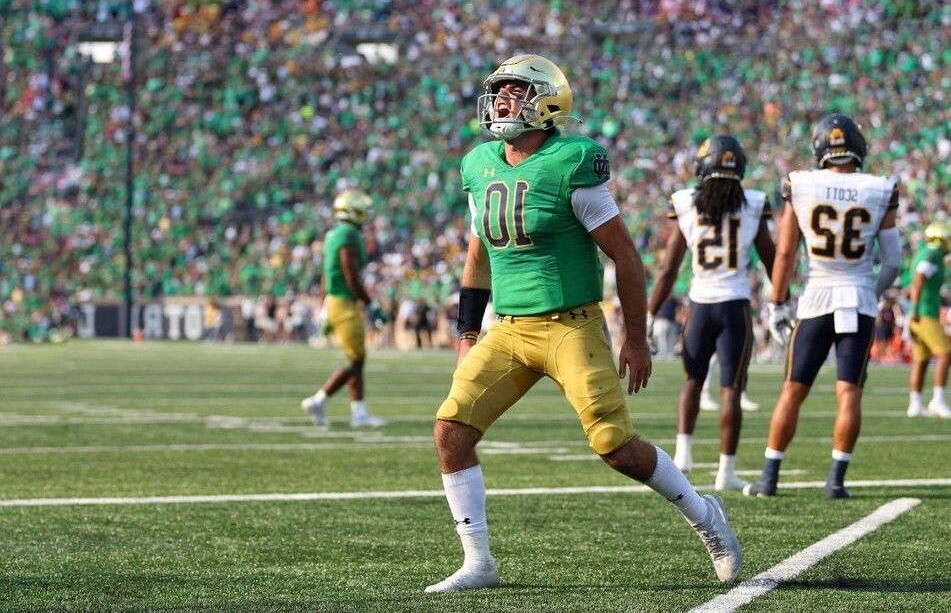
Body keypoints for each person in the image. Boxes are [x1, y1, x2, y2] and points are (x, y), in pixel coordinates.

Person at [425, 54, 741, 593]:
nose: (501, 100)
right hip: (509, 328)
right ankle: (478, 560)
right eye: (498, 90)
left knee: (616, 448)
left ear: (547, 101)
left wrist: (636, 338)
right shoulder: (478, 164)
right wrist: (468, 332)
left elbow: (627, 257)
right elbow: (477, 258)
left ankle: (706, 517)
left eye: (515, 91)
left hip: (571, 325)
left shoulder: (574, 159)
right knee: (451, 431)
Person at [745, 113, 901, 499]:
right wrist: (871, 291)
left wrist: (777, 303)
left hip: (815, 300)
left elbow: (784, 254)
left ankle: (769, 478)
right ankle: (835, 481)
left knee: (792, 391)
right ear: (857, 147)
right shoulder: (879, 188)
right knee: (849, 394)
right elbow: (893, 262)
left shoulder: (802, 183)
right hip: (858, 299)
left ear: (820, 148)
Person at [647, 135, 776, 491]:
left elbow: (669, 269)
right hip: (734, 306)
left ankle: (683, 456)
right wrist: (780, 302)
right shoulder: (752, 203)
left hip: (701, 306)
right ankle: (726, 472)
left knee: (692, 382)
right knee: (731, 390)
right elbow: (772, 260)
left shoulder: (687, 202)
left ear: (703, 166)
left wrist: (649, 313)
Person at [301, 189, 388, 429]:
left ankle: (358, 412)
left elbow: (327, 276)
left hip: (335, 301)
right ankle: (319, 399)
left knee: (356, 358)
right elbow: (351, 277)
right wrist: (372, 305)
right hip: (343, 302)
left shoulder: (333, 234)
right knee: (357, 359)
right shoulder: (348, 234)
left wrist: (324, 306)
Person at [904, 222, 951, 418]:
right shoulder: (933, 255)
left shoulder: (924, 252)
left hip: (919, 312)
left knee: (921, 360)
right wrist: (915, 308)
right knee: (946, 353)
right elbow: (918, 281)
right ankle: (937, 400)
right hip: (924, 312)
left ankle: (915, 404)